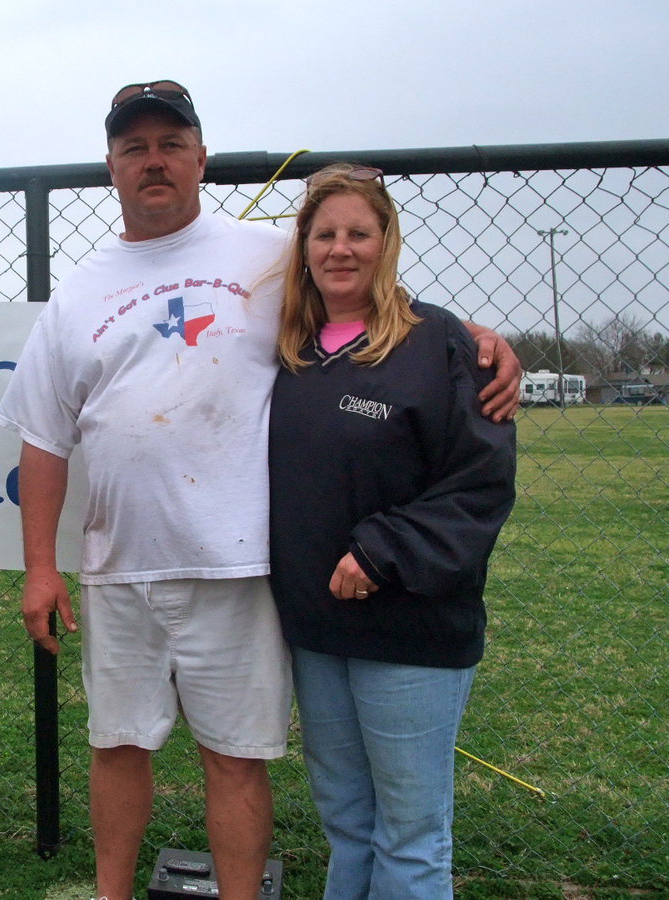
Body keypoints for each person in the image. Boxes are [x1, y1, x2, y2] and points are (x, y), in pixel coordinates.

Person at [0, 82, 520, 900]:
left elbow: (367, 296)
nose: (154, 161)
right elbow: (42, 437)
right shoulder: (78, 293)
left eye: (172, 144)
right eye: (135, 148)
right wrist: (39, 566)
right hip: (118, 565)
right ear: (111, 167)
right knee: (117, 745)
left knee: (235, 758)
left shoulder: (269, 256)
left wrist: (477, 338)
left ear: (201, 158)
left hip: (238, 567)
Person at [268, 163, 518, 900]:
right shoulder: (284, 350)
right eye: (324, 234)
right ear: (304, 247)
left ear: (388, 242)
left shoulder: (440, 345)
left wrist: (384, 550)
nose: (340, 249)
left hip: (411, 628)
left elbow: (480, 482)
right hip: (318, 630)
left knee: (409, 835)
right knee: (348, 824)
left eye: (359, 233)